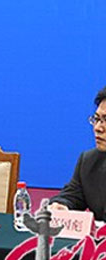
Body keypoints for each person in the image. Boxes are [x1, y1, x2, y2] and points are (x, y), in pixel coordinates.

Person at [49, 86, 106, 221]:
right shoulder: (90, 161)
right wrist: (61, 205)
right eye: (97, 119)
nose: (98, 128)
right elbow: (73, 195)